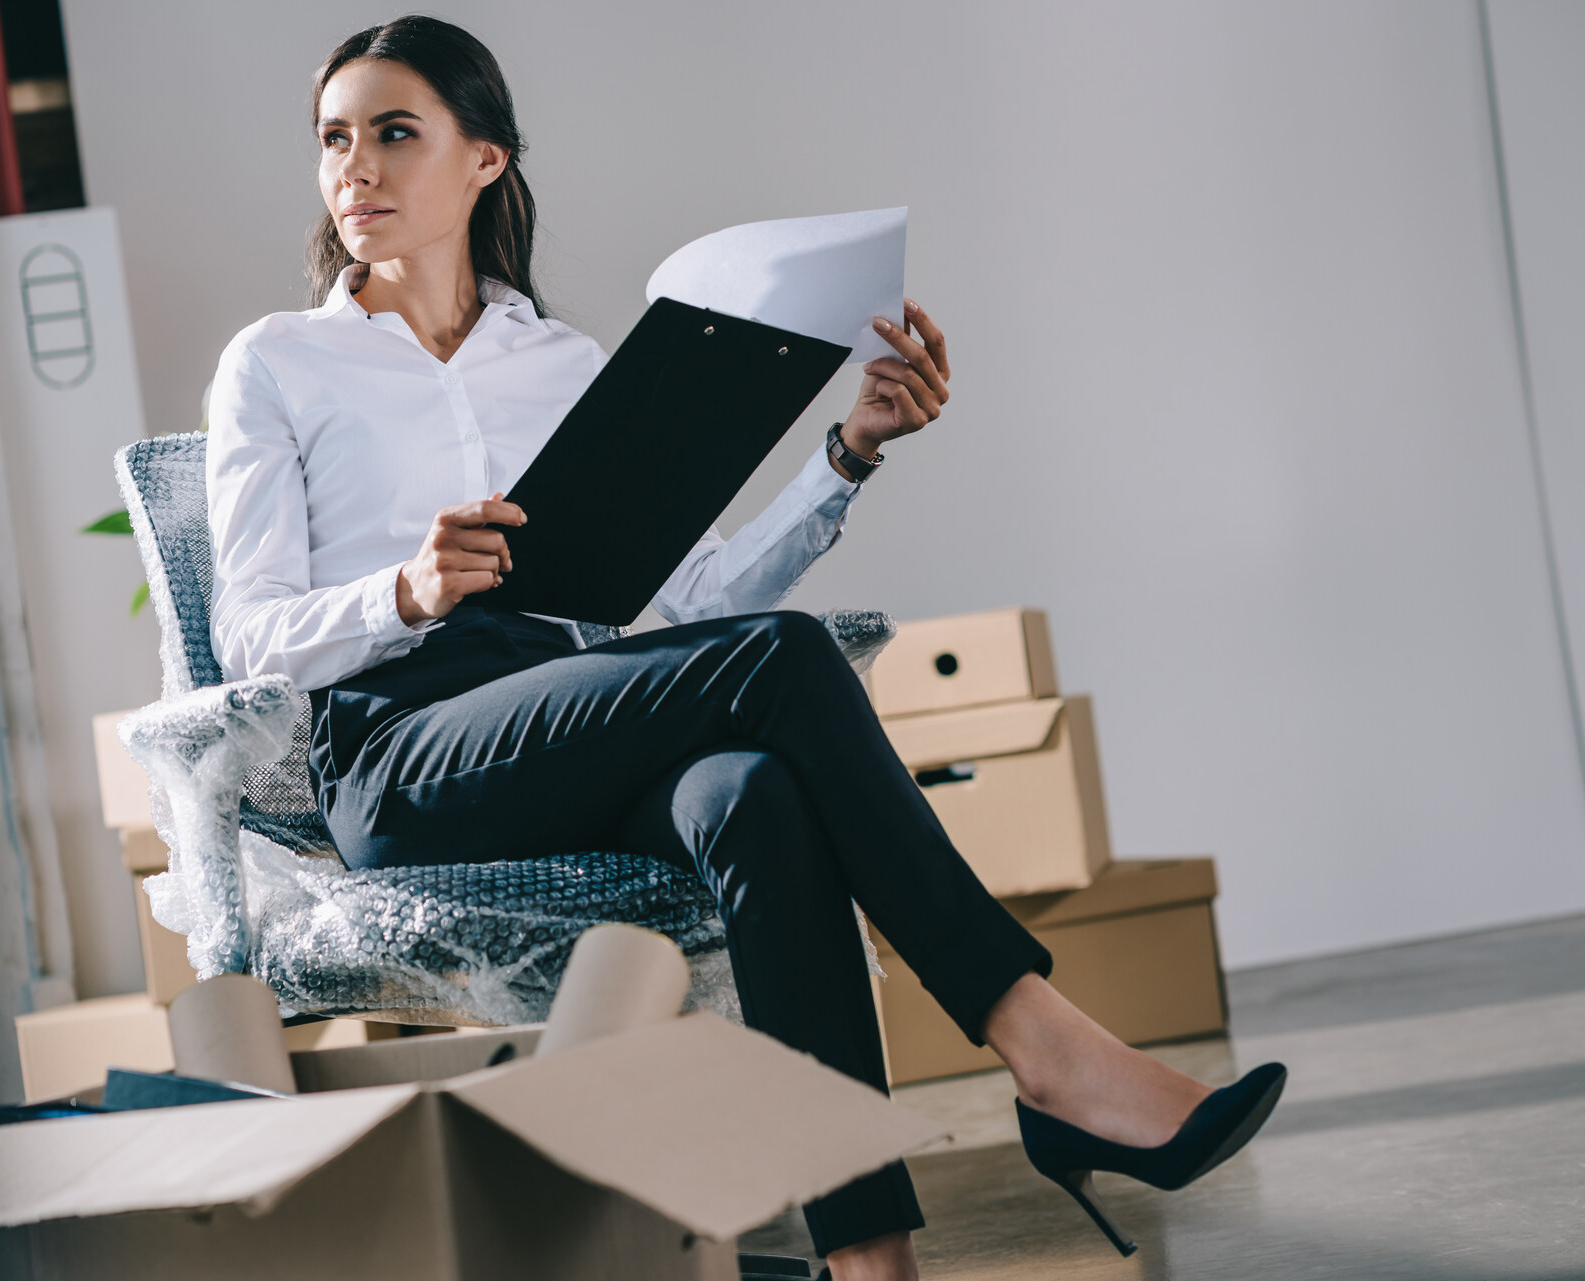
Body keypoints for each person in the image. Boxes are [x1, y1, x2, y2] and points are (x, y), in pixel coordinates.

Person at [204, 16, 1284, 1280]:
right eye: (336, 139)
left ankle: (869, 1257)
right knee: (775, 662)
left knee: (755, 794)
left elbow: (696, 593)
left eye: (396, 133)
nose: (357, 169)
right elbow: (249, 632)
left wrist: (849, 454)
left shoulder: (560, 363)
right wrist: (406, 588)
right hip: (403, 756)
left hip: (580, 713)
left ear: (485, 161)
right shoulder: (277, 363)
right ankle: (1041, 1043)